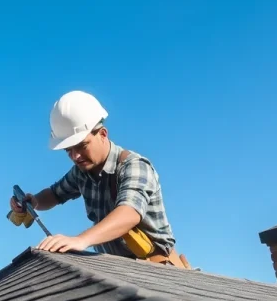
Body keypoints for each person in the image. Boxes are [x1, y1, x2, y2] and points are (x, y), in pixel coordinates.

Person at [10, 90, 185, 266]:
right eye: (68, 150)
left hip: (158, 271)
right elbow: (55, 194)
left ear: (102, 134)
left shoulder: (134, 166)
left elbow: (129, 213)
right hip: (118, 270)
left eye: (81, 146)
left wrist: (80, 240)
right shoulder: (81, 172)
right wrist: (34, 202)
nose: (75, 156)